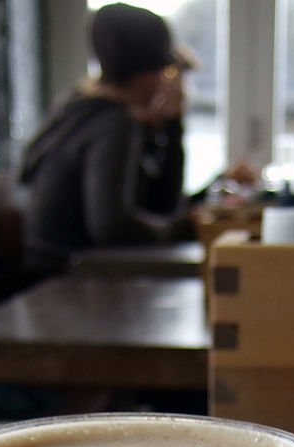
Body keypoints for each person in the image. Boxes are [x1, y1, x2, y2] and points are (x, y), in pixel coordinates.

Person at [19, 3, 221, 264]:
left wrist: (169, 128)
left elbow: (161, 207)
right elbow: (113, 228)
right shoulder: (113, 123)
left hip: (61, 276)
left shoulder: (81, 112)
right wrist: (187, 227)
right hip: (67, 280)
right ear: (151, 75)